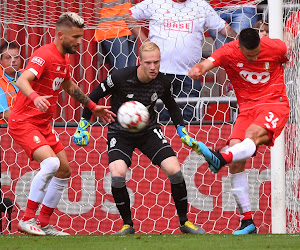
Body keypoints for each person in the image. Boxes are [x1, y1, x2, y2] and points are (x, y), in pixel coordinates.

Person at [73, 41, 205, 235]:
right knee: (117, 175)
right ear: (140, 62)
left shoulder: (162, 81)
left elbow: (172, 106)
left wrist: (182, 130)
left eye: (156, 62)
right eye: (148, 63)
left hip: (148, 131)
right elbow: (93, 96)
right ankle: (128, 225)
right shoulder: (119, 77)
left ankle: (184, 222)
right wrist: (83, 124)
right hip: (119, 132)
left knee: (175, 171)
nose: (153, 67)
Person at [8, 12, 116, 236]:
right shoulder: (44, 55)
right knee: (51, 164)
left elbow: (68, 85)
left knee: (64, 170)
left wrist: (93, 106)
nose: (79, 41)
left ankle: (44, 222)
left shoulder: (64, 58)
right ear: (60, 36)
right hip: (24, 122)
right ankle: (27, 219)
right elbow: (22, 79)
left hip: (43, 125)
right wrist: (34, 97)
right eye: (76, 36)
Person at [189, 28, 290, 235]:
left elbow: (288, 50)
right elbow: (207, 63)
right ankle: (247, 222)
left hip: (273, 103)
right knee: (236, 160)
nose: (254, 58)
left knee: (252, 135)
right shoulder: (228, 51)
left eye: (257, 53)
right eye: (249, 55)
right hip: (246, 109)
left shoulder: (274, 47)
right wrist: (198, 69)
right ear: (239, 46)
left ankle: (219, 157)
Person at [124, 0, 237, 123]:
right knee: (164, 119)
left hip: (190, 74)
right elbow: (128, 15)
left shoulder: (200, 5)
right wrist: (144, 40)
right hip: (161, 72)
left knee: (189, 120)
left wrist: (244, 41)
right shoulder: (155, 2)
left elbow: (224, 28)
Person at [209, 1, 258, 96]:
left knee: (239, 48)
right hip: (217, 6)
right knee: (222, 54)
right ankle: (224, 99)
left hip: (244, 5)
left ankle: (240, 91)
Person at [95, 0, 136, 71]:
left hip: (129, 28)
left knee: (131, 71)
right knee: (122, 71)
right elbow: (96, 9)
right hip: (112, 29)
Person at [0, 41, 22, 123]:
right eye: (8, 57)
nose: (13, 60)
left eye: (16, 57)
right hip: (6, 132)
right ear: (0, 60)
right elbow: (5, 114)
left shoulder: (27, 76)